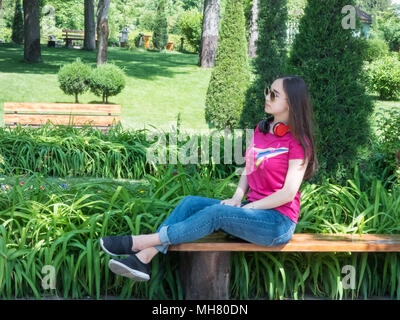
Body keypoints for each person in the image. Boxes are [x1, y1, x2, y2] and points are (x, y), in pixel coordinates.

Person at [100, 75, 318, 282]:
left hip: (277, 223)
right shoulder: (262, 130)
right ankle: (143, 259)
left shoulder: (298, 141)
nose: (266, 97)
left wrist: (248, 209)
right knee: (190, 202)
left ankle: (138, 242)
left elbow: (288, 193)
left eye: (274, 94)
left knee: (217, 214)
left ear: (291, 103)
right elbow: (248, 169)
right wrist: (237, 198)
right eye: (267, 91)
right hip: (253, 211)